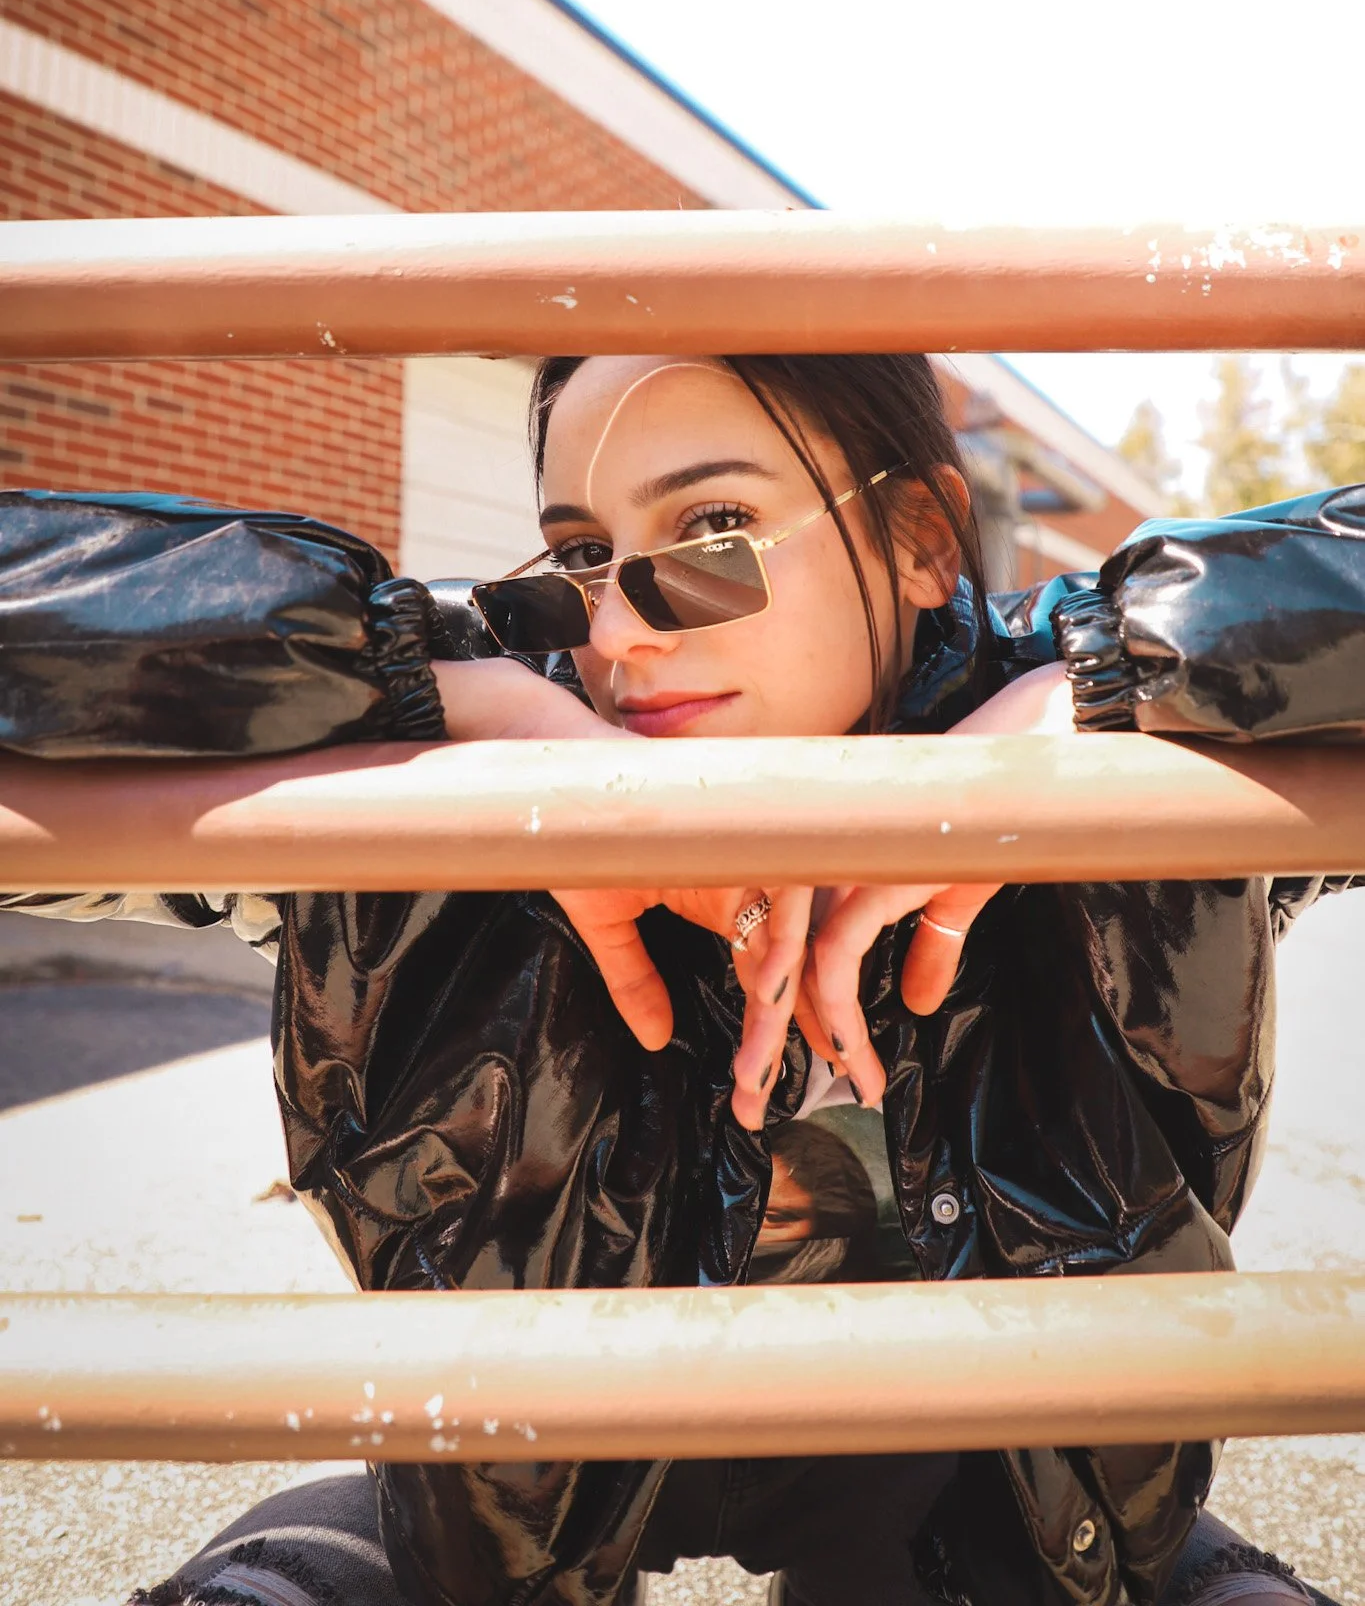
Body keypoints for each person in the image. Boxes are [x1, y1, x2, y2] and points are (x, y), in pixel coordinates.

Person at [1, 350, 1360, 1606]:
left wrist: (1108, 687)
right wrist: (434, 691)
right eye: (582, 554)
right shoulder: (444, 757)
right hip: (511, 1499)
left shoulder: (1127, 746)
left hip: (1019, 1497)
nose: (619, 634)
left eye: (714, 536)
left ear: (924, 540)